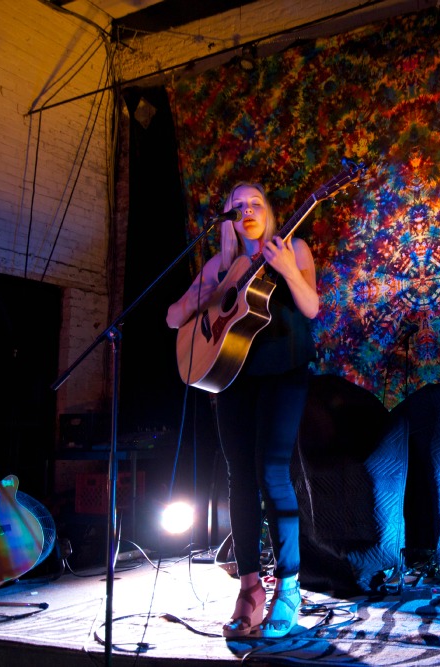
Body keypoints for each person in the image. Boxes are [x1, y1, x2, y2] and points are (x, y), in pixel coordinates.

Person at [166, 182, 319, 639]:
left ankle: (288, 588)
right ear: (228, 219)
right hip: (232, 375)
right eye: (237, 206)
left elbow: (311, 307)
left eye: (255, 203)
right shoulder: (221, 265)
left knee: (272, 473)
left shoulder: (292, 247)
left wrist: (287, 269)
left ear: (268, 211)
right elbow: (173, 318)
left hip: (284, 370)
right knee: (240, 478)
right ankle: (249, 588)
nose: (247, 210)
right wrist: (200, 299)